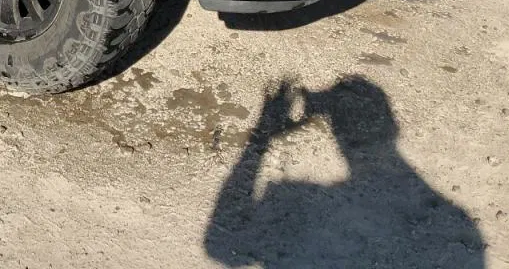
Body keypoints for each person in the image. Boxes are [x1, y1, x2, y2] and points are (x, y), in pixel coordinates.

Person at [204, 76, 485, 268]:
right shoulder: (459, 221)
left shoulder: (302, 196)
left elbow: (217, 246)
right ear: (391, 128)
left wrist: (263, 135)